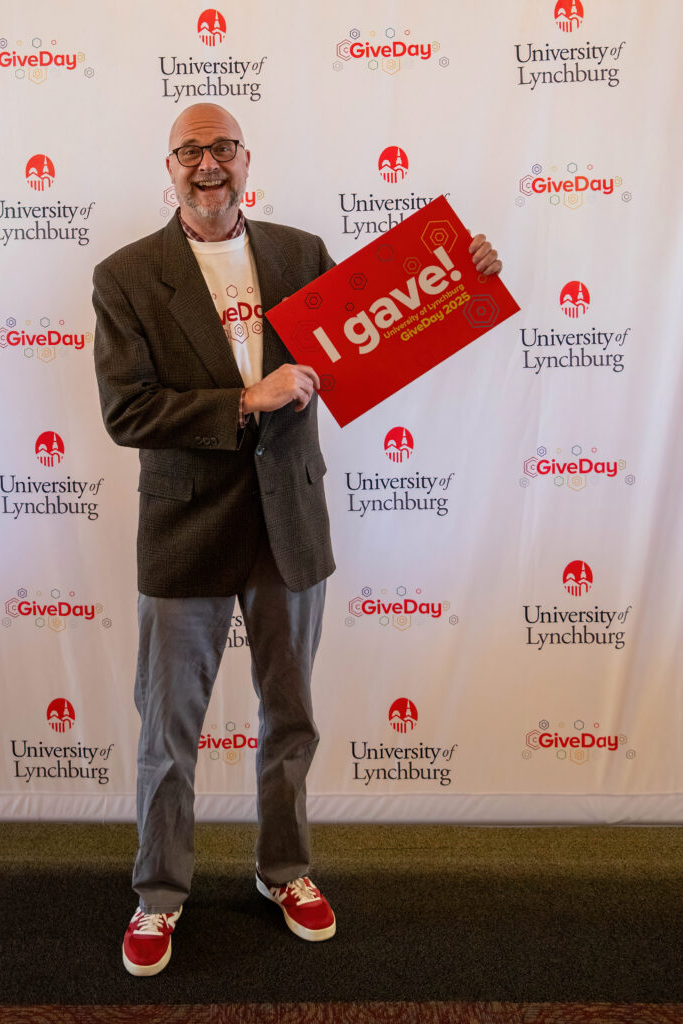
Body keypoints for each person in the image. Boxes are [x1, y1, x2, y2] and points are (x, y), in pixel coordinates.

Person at [92, 103, 502, 977]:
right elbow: (127, 411)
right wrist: (246, 399)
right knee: (168, 729)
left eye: (223, 149)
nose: (209, 165)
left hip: (288, 525)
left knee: (291, 719)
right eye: (190, 151)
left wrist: (459, 278)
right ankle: (159, 893)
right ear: (168, 167)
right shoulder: (125, 275)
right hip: (184, 527)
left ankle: (284, 873)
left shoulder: (300, 252)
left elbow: (378, 327)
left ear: (248, 161)